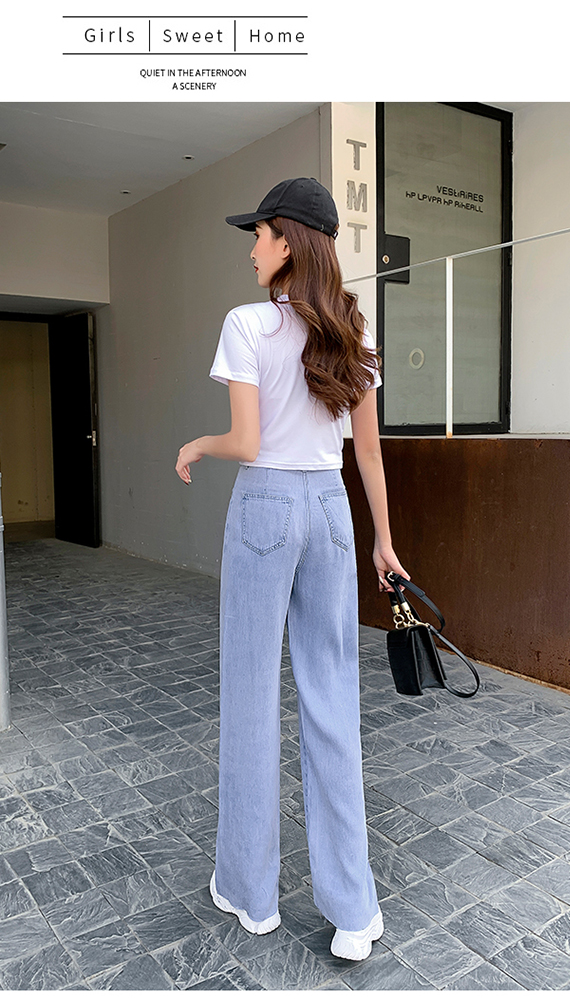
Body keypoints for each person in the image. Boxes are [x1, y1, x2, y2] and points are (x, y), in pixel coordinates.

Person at [175, 177, 410, 961]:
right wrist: (383, 540)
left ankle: (251, 894)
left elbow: (245, 443)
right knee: (332, 698)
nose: (252, 248)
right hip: (333, 511)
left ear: (288, 240)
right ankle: (354, 913)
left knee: (250, 695)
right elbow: (367, 452)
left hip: (266, 506)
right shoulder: (352, 331)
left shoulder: (247, 324)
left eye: (260, 234)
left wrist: (198, 444)